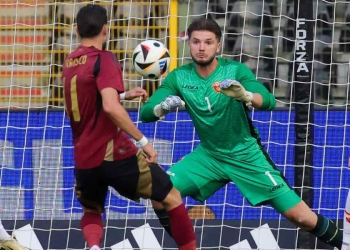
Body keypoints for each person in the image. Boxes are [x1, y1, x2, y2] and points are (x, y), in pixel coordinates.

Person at [140, 18, 343, 248]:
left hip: (245, 155)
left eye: (208, 42)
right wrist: (162, 107)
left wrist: (246, 95)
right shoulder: (179, 77)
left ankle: (345, 242)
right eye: (196, 42)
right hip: (209, 156)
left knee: (302, 218)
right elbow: (146, 113)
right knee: (158, 193)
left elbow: (268, 101)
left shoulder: (234, 70)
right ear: (189, 44)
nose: (201, 47)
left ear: (218, 46)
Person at [61, 4, 196, 250]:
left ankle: (93, 247)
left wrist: (123, 95)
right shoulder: (104, 58)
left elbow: (89, 100)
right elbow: (110, 108)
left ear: (77, 29)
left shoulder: (70, 62)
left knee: (92, 209)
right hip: (114, 153)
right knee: (172, 197)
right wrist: (143, 141)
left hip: (83, 156)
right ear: (105, 29)